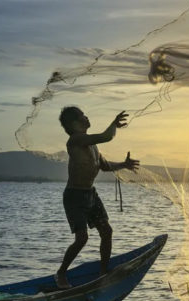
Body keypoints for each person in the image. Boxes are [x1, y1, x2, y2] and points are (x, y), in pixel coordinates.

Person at [55, 106, 140, 289]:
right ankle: (61, 273)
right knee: (82, 238)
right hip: (74, 197)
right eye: (83, 116)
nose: (87, 117)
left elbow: (105, 166)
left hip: (90, 194)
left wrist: (123, 164)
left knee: (106, 231)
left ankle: (103, 272)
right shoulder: (76, 140)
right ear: (74, 124)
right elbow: (106, 136)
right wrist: (114, 124)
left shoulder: (92, 145)